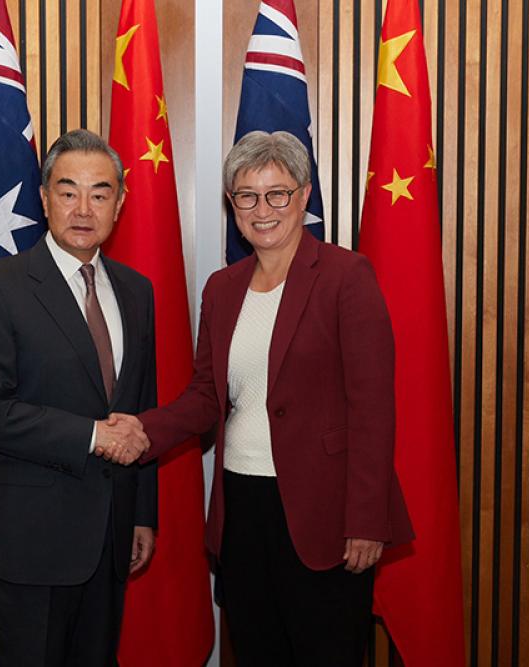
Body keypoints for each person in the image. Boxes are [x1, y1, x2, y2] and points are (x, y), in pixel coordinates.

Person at [108, 130, 414, 666]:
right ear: (233, 205)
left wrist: (366, 520)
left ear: (304, 195)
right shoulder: (223, 288)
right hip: (242, 510)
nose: (262, 209)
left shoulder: (346, 277)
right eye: (247, 195)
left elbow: (373, 409)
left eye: (278, 193)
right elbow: (207, 395)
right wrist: (142, 430)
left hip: (326, 515)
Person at [0, 129, 158, 667]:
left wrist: (141, 514)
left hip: (111, 541)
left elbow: (139, 411)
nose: (83, 208)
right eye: (68, 191)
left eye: (100, 192)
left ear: (120, 202)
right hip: (31, 545)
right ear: (44, 199)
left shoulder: (137, 293)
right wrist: (93, 436)